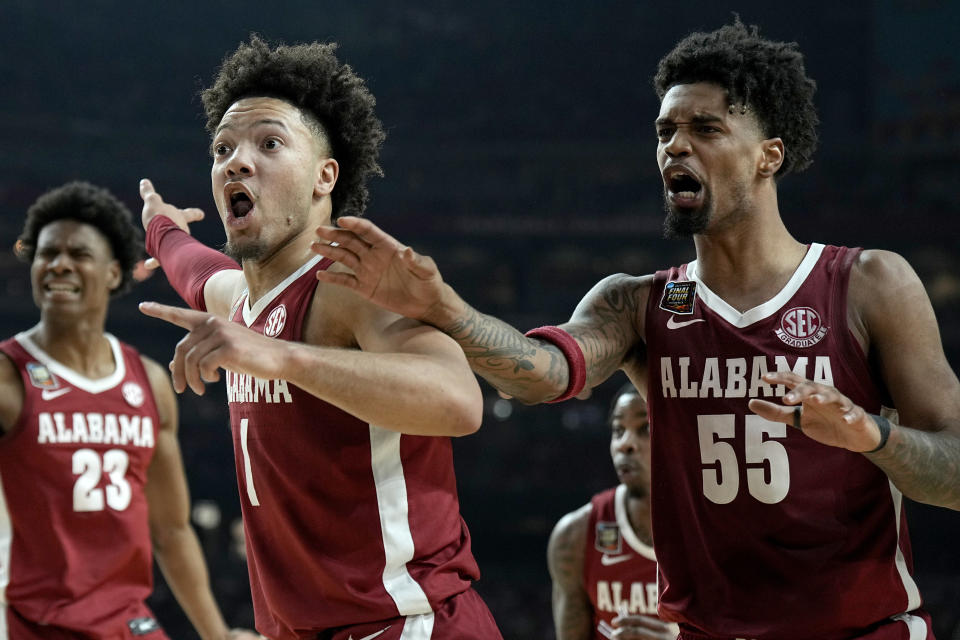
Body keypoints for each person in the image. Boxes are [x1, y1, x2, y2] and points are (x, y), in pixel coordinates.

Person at [310, 19, 960, 640]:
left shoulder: (869, 283)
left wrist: (867, 432)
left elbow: (954, 474)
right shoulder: (637, 304)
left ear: (769, 156)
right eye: (665, 130)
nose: (675, 145)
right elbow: (545, 374)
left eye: (705, 127)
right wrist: (446, 310)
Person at [136, 36, 502, 640]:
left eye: (269, 143)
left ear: (324, 176)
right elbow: (192, 267)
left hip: (406, 624)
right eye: (223, 148)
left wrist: (279, 355)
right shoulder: (240, 301)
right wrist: (159, 226)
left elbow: (459, 401)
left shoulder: (354, 284)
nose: (236, 161)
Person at [0, 182, 257, 640]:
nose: (59, 264)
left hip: (127, 623)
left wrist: (216, 636)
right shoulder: (8, 376)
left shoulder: (148, 382)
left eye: (78, 254)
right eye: (47, 253)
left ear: (115, 272)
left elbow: (173, 531)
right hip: (31, 623)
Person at [548, 384, 677, 640]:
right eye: (618, 430)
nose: (625, 444)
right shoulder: (574, 535)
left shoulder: (717, 531)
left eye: (645, 428)